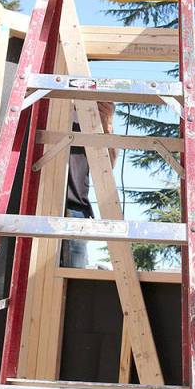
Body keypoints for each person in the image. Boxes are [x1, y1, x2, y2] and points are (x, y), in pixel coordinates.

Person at [61, 100, 117, 268]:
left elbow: (107, 167)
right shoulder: (53, 114)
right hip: (43, 208)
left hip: (76, 211)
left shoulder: (92, 127)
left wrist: (107, 124)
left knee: (71, 281)